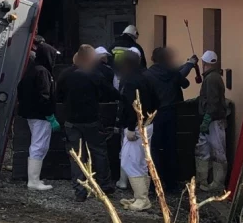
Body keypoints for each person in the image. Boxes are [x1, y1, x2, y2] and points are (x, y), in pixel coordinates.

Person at [56, 44, 119, 202]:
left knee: (77, 157)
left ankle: (80, 191)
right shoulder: (94, 75)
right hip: (91, 119)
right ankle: (104, 186)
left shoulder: (65, 74)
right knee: (99, 151)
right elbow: (110, 93)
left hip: (71, 120)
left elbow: (58, 96)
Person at [146, 46, 198, 193]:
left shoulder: (148, 75)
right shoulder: (171, 72)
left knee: (154, 149)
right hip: (172, 113)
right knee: (171, 148)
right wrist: (188, 65)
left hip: (154, 115)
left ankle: (154, 183)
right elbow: (185, 83)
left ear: (152, 59)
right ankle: (172, 184)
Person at [117, 48, 158, 211]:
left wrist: (130, 127)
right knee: (141, 162)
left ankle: (142, 198)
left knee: (129, 161)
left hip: (137, 126)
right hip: (148, 123)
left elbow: (131, 106)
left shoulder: (130, 81)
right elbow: (156, 101)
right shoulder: (146, 78)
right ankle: (141, 196)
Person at [17, 40, 59, 192]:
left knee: (36, 145)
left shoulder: (31, 69)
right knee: (39, 146)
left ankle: (34, 179)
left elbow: (20, 89)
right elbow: (45, 96)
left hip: (31, 114)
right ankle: (33, 181)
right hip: (41, 116)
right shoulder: (43, 72)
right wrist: (50, 115)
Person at [196, 50, 228, 192]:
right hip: (213, 119)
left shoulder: (211, 79)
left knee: (217, 150)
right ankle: (205, 181)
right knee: (205, 149)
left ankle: (216, 183)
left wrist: (207, 119)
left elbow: (213, 102)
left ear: (204, 63)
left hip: (213, 120)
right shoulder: (213, 77)